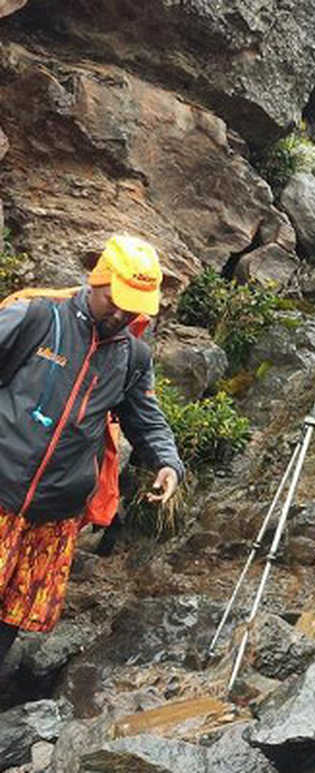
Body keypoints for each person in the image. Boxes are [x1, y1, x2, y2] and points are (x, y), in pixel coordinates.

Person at [0, 234, 184, 664]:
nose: (122, 313)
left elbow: (146, 418)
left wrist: (166, 462)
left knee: (8, 619)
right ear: (98, 279)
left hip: (52, 515)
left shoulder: (132, 357)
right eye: (116, 300)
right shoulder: (37, 314)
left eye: (134, 306)